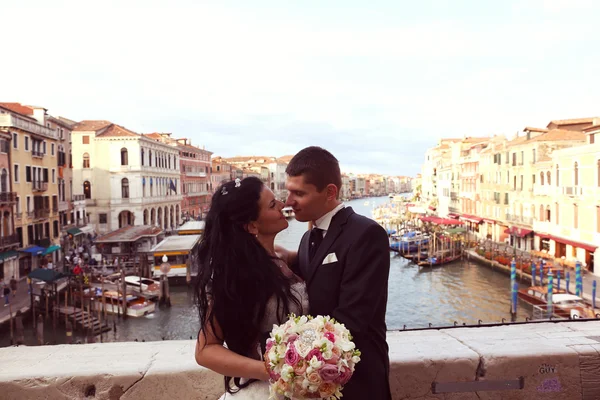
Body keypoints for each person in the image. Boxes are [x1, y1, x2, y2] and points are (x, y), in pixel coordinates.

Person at [281, 146, 392, 400]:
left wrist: (292, 349)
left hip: (359, 383)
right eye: (288, 192)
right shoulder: (307, 238)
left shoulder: (366, 234)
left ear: (330, 192)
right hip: (318, 383)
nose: (289, 201)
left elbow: (351, 318)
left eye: (299, 193)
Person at [194, 177, 309, 398]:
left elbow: (317, 252)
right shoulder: (238, 275)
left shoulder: (281, 255)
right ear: (252, 225)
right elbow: (205, 350)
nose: (283, 206)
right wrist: (271, 370)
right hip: (264, 390)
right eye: (273, 205)